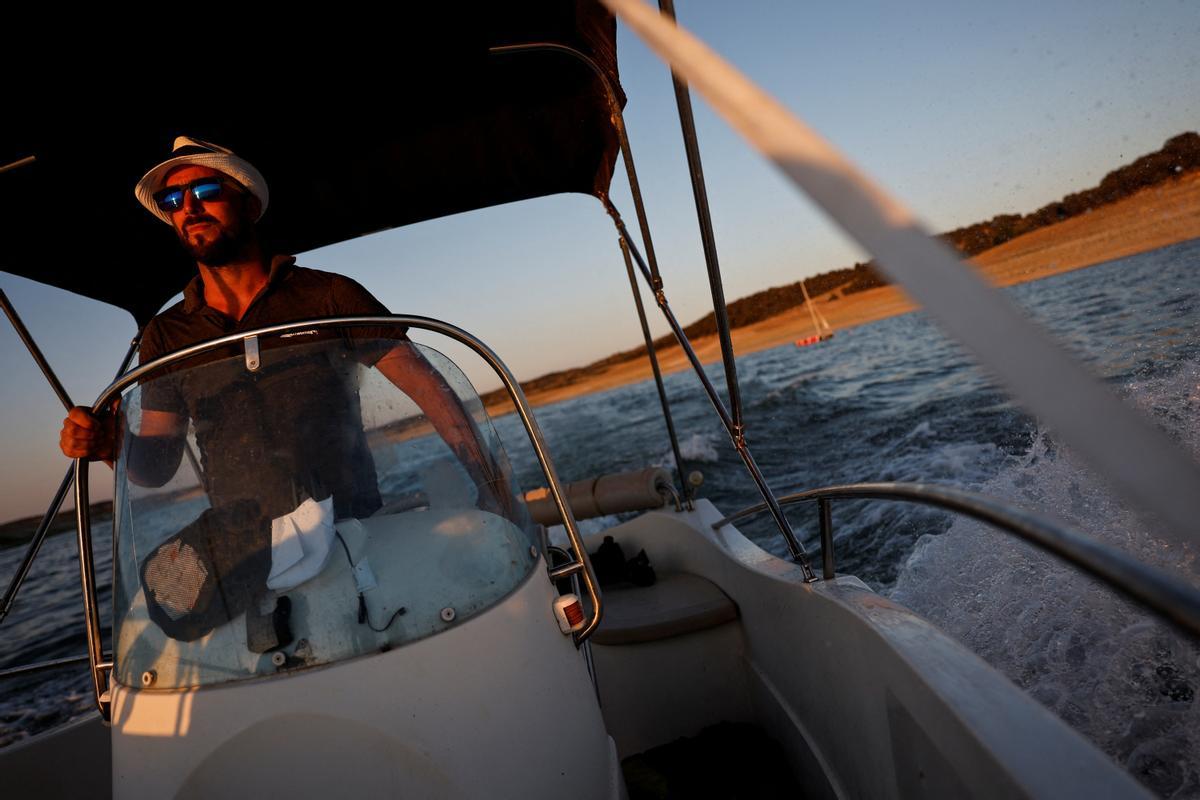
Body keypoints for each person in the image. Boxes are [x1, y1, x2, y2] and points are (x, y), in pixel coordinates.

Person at [59, 137, 510, 520]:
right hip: (247, 557)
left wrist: (494, 488)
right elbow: (157, 465)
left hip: (354, 530)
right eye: (173, 201)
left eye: (206, 189)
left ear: (249, 204)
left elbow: (429, 389)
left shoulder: (329, 296)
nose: (189, 207)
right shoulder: (166, 334)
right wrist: (110, 444)